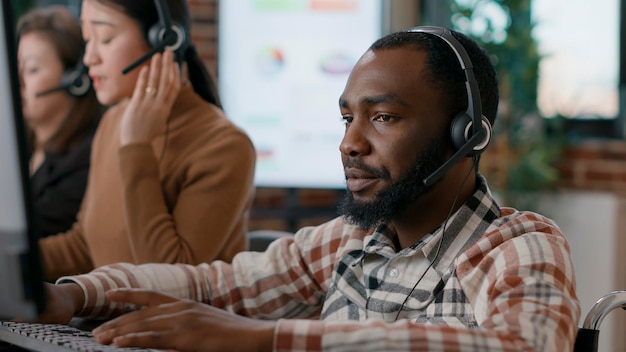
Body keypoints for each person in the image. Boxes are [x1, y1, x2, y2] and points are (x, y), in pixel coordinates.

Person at [39, 27, 580, 351]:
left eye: (384, 117)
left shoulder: (518, 245)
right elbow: (214, 286)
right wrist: (74, 296)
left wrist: (264, 340)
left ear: (465, 134)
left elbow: (521, 345)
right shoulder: (350, 240)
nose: (350, 143)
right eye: (347, 118)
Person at [37, 0, 256, 281]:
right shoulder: (113, 121)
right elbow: (84, 246)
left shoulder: (225, 145)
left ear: (162, 38)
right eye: (87, 40)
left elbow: (169, 278)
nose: (89, 58)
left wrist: (136, 148)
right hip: (107, 321)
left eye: (105, 38)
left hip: (177, 324)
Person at [17, 5, 104, 237]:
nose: (18, 82)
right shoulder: (18, 146)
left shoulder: (87, 159)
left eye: (32, 69)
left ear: (74, 80)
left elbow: (31, 232)